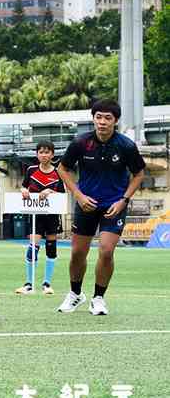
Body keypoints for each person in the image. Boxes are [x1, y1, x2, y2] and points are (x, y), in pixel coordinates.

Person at [55, 100, 145, 316]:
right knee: (77, 253)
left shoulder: (126, 146)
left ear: (115, 121)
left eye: (108, 118)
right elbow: (62, 168)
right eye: (99, 117)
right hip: (86, 204)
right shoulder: (80, 142)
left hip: (114, 205)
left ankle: (98, 298)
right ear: (93, 118)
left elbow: (139, 174)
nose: (102, 122)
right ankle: (75, 294)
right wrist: (78, 195)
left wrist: (123, 199)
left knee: (106, 250)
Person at [15, 141, 65, 296]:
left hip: (52, 216)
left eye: (47, 152)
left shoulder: (58, 173)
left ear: (52, 154)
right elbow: (24, 186)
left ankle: (47, 284)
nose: (44, 155)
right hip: (36, 216)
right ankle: (29, 284)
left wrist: (50, 191)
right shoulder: (31, 170)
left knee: (51, 247)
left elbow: (62, 195)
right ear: (37, 154)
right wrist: (23, 190)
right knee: (32, 248)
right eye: (41, 152)